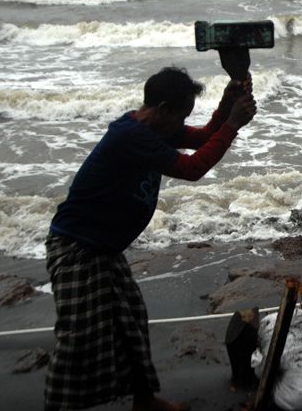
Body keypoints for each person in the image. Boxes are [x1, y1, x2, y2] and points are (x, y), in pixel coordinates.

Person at [44, 51, 256, 411]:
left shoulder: (155, 128)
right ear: (162, 108)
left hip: (104, 249)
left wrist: (226, 104)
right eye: (182, 114)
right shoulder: (131, 136)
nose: (183, 123)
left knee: (131, 322)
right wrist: (233, 124)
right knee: (79, 336)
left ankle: (144, 400)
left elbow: (203, 136)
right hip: (78, 249)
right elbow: (193, 168)